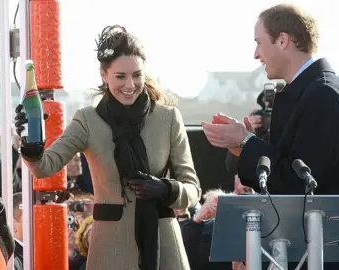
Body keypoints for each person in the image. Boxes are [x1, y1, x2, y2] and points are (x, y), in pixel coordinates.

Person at [15, 25, 201, 270]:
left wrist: (165, 189)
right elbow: (44, 167)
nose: (130, 84)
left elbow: (193, 190)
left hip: (164, 248)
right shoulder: (88, 120)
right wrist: (30, 143)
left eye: (137, 75)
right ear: (104, 75)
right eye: (120, 76)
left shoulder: (168, 118)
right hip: (110, 252)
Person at [201, 4, 339, 269]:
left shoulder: (324, 95)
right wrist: (245, 145)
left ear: (283, 40)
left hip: (325, 259)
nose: (256, 54)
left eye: (259, 43)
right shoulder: (312, 91)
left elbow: (297, 182)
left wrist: (246, 142)